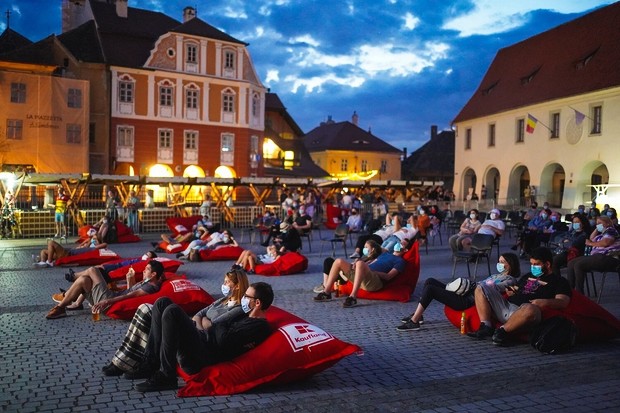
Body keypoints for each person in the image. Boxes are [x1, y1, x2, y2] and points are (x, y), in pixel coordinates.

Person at [101, 269, 249, 378]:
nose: (223, 285)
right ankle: (131, 362)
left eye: (227, 282)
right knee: (151, 306)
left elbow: (214, 326)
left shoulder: (238, 308)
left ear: (236, 286)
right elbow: (199, 315)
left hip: (202, 342)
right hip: (196, 330)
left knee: (172, 310)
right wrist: (202, 321)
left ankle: (161, 371)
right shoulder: (222, 300)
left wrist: (201, 321)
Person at [132, 281, 273, 392]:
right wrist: (214, 325)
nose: (243, 298)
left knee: (172, 311)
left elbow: (223, 340)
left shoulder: (259, 326)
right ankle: (151, 362)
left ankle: (166, 375)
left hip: (205, 355)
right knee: (162, 302)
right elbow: (220, 328)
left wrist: (213, 324)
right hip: (202, 339)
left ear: (258, 303)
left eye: (246, 296)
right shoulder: (244, 314)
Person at [467, 247, 572, 346]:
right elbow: (516, 288)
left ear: (548, 264)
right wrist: (510, 290)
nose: (533, 267)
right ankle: (486, 326)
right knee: (482, 287)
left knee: (530, 308)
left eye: (536, 264)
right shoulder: (528, 276)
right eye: (531, 264)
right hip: (507, 306)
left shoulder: (559, 281)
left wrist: (544, 302)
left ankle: (502, 331)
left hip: (525, 312)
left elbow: (563, 301)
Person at [398, 253, 521, 331]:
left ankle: (414, 321)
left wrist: (478, 284)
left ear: (510, 264)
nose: (499, 264)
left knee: (431, 290)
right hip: (465, 293)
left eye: (503, 262)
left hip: (467, 300)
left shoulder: (510, 279)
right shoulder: (496, 275)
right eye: (499, 261)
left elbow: (493, 289)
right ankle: (418, 316)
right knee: (430, 281)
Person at [46, 260, 166, 320]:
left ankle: (72, 277)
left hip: (108, 299)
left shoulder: (150, 287)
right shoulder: (150, 281)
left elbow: (129, 296)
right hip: (109, 296)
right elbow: (130, 291)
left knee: (93, 270)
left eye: (147, 269)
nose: (144, 271)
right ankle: (61, 308)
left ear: (153, 274)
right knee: (84, 280)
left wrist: (107, 302)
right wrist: (130, 279)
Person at [313, 239, 407, 308]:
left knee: (360, 263)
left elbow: (388, 277)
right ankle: (326, 292)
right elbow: (374, 247)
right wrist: (359, 262)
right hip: (362, 273)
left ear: (405, 250)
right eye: (399, 242)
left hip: (375, 281)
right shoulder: (385, 254)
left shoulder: (400, 261)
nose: (399, 244)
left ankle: (353, 297)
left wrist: (368, 270)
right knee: (338, 261)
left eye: (402, 244)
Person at [566, 216, 620, 293]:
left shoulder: (611, 230)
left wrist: (591, 243)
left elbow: (606, 242)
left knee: (579, 265)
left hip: (608, 257)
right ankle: (570, 291)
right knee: (571, 263)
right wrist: (597, 229)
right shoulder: (601, 234)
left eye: (600, 223)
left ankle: (579, 293)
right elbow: (591, 238)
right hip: (597, 256)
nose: (598, 225)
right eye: (596, 223)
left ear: (608, 223)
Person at [35, 236, 108, 267]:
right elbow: (83, 244)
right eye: (93, 239)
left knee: (51, 242)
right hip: (68, 251)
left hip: (68, 254)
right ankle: (42, 262)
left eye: (95, 239)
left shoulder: (93, 248)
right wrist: (90, 240)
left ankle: (49, 261)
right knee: (43, 251)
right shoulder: (89, 245)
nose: (93, 240)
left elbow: (105, 244)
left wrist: (91, 241)